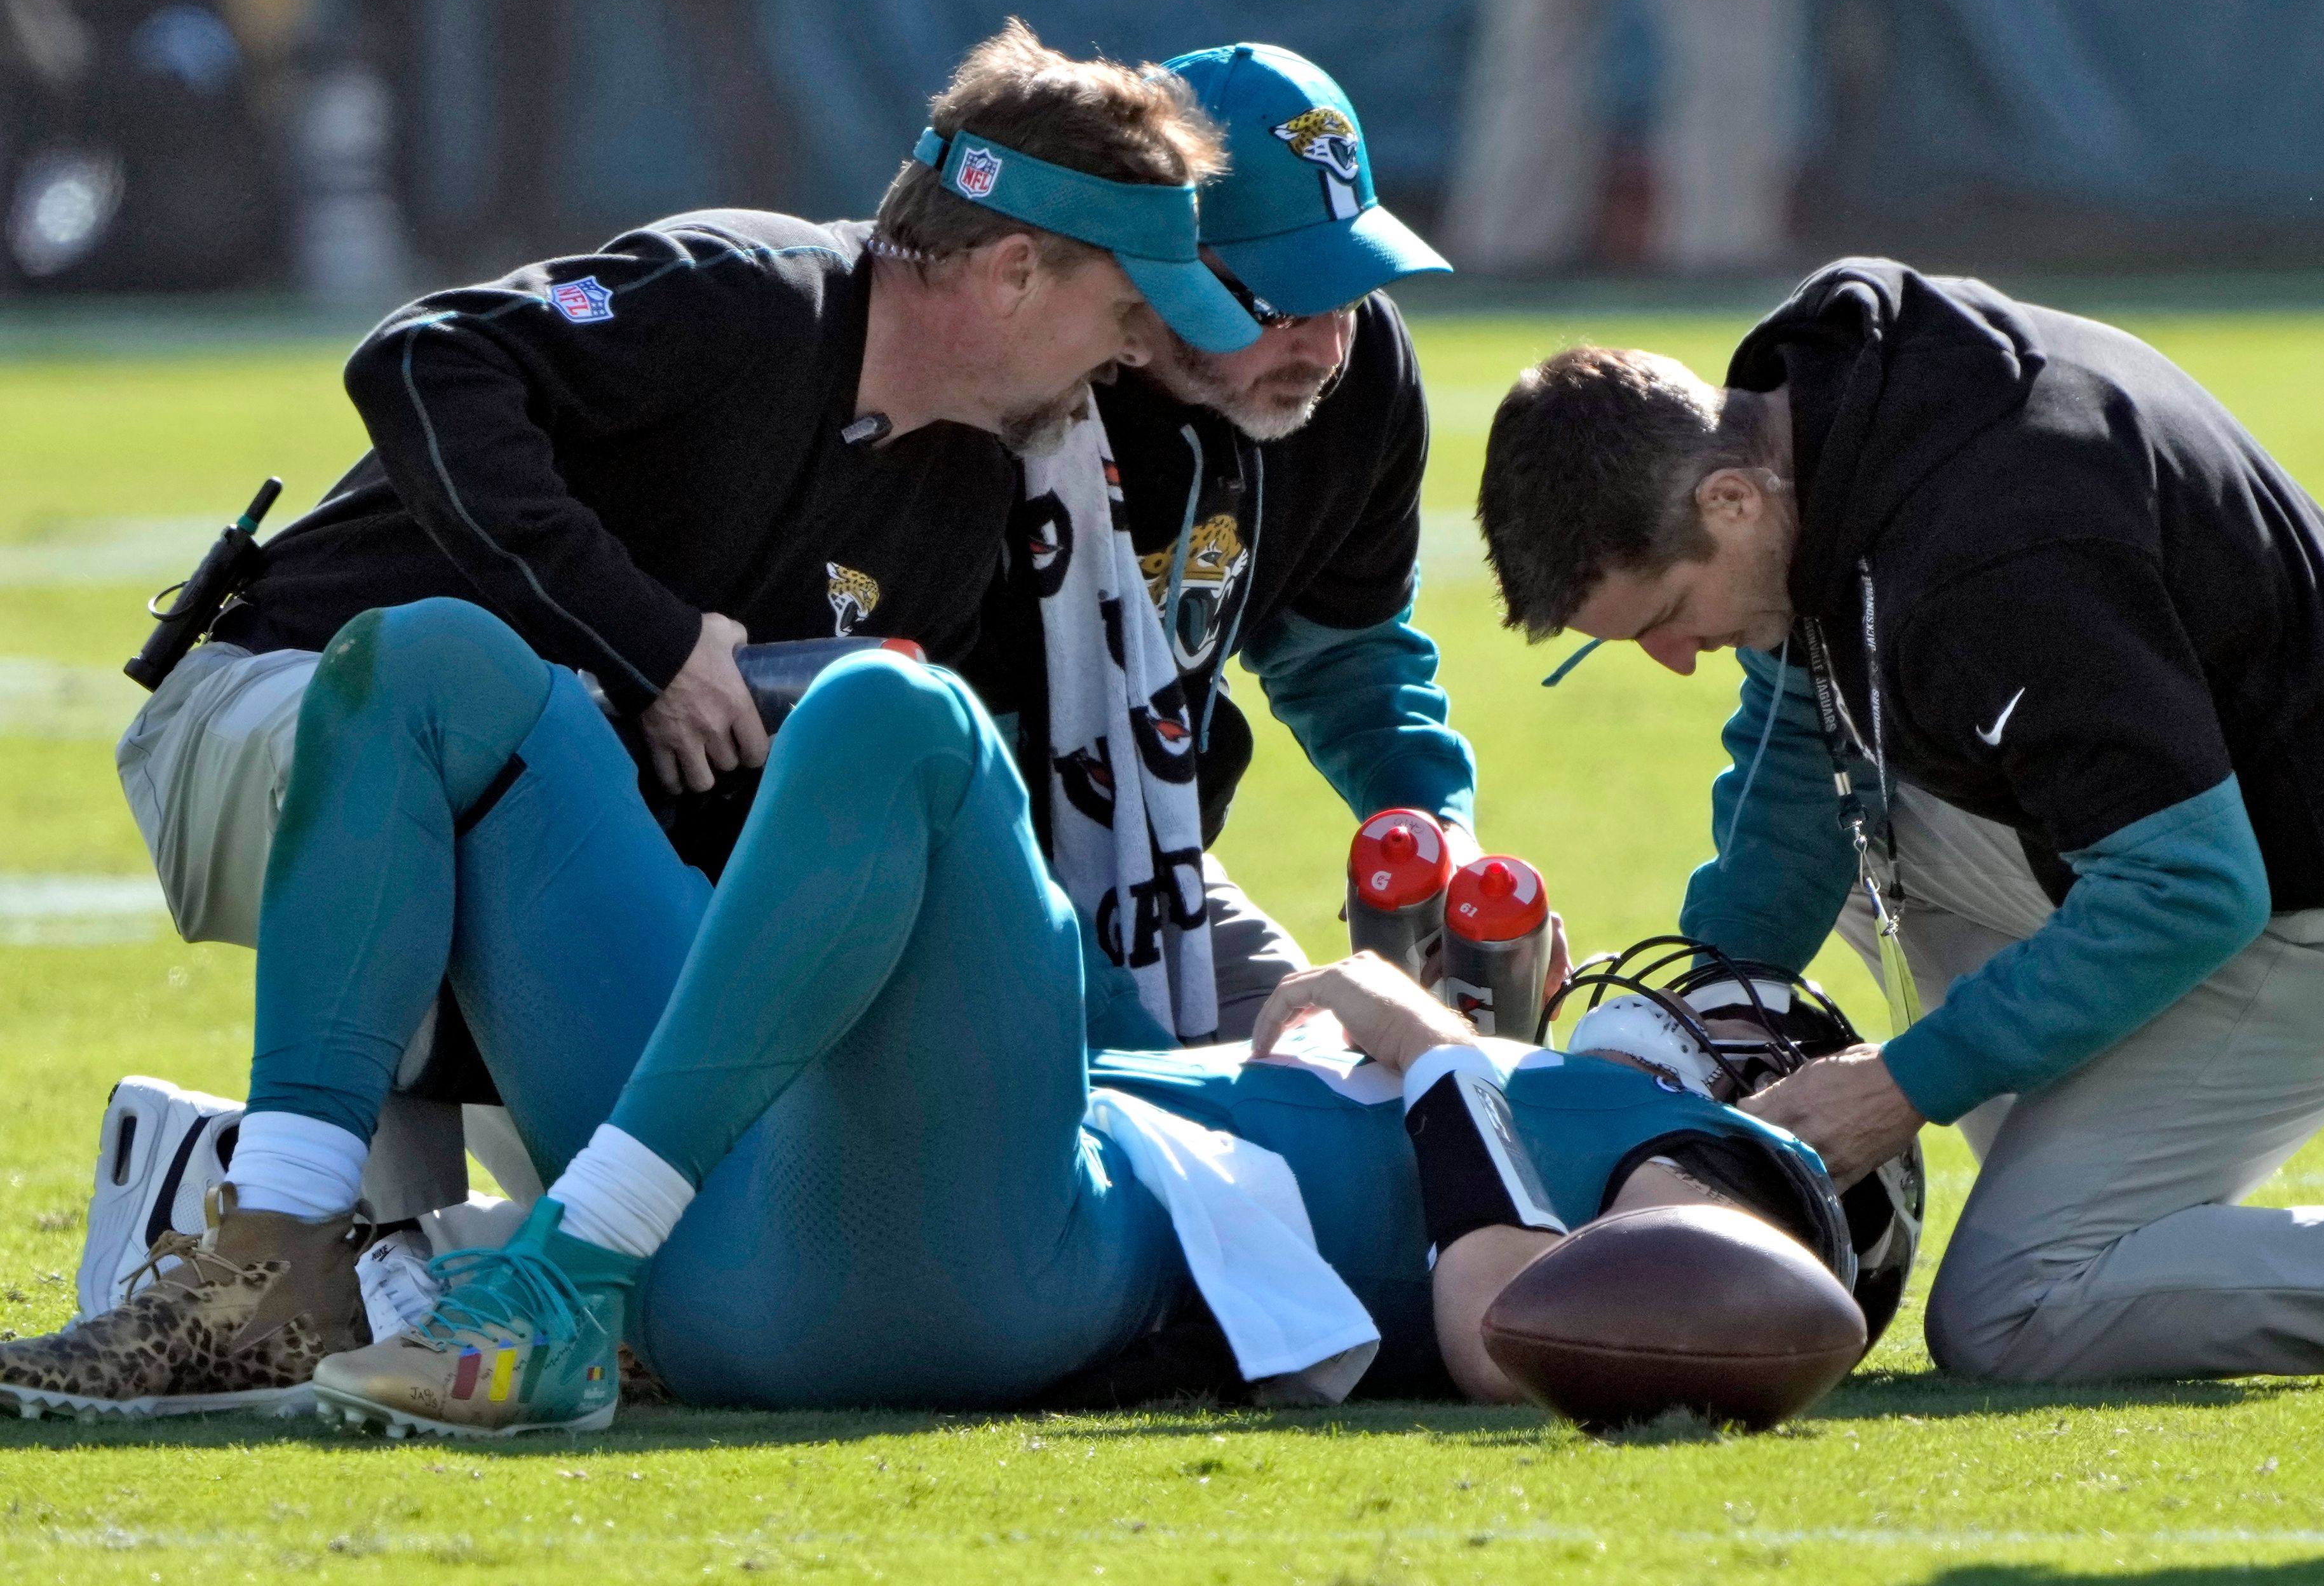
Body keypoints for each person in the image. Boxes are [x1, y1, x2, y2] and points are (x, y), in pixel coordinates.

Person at [0, 598, 1848, 1425]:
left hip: (984, 1267)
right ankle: (280, 1255)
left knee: (905, 715)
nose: (1652, 997)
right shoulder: (1364, 1071)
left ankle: (564, 1277)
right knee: (436, 670)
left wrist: (1454, 1063)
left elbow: (1530, 1320)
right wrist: (1313, 1020)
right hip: (772, 1204)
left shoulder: (1622, 1124)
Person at [109, 20, 1258, 1221]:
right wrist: (650, 643)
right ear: (1015, 271)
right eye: (1130, 306)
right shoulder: (753, 294)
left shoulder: (963, 496)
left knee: (699, 1219)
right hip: (274, 706)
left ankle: (219, 1192)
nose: (1138, 352)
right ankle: (304, 1235)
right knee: (486, 757)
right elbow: (418, 360)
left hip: (532, 815)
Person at [1475, 259, 2324, 1383]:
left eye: (1669, 617)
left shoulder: (1996, 544)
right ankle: (2086, 1178)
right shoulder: (1820, 428)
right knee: (1865, 831)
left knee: (2013, 1308)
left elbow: (2193, 887)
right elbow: (1805, 763)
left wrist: (1901, 1087)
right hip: (2227, 835)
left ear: (1728, 500)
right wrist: (1689, 1030)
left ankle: (2099, 1218)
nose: (1677, 659)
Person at [964, 44, 1518, 1036]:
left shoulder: (1359, 378)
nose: (1327, 344)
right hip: (952, 884)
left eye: (1349, 285)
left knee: (1338, 1091)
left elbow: (1346, 653)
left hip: (1155, 870)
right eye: (1280, 295)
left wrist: (1436, 827)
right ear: (1157, 264)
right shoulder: (1004, 384)